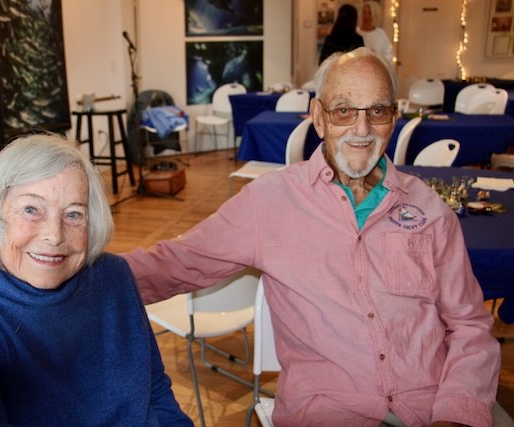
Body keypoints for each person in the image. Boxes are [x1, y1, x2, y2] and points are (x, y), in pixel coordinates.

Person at [123, 48, 503, 426]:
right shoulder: (269, 202)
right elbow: (175, 262)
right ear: (318, 118)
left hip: (431, 407)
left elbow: (470, 325)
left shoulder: (429, 210)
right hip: (330, 412)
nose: (362, 129)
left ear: (393, 119)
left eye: (377, 111)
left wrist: (457, 412)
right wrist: (92, 275)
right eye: (344, 110)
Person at [0, 133, 193, 426]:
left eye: (73, 214)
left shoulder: (114, 276)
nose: (54, 235)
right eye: (31, 210)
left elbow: (156, 390)